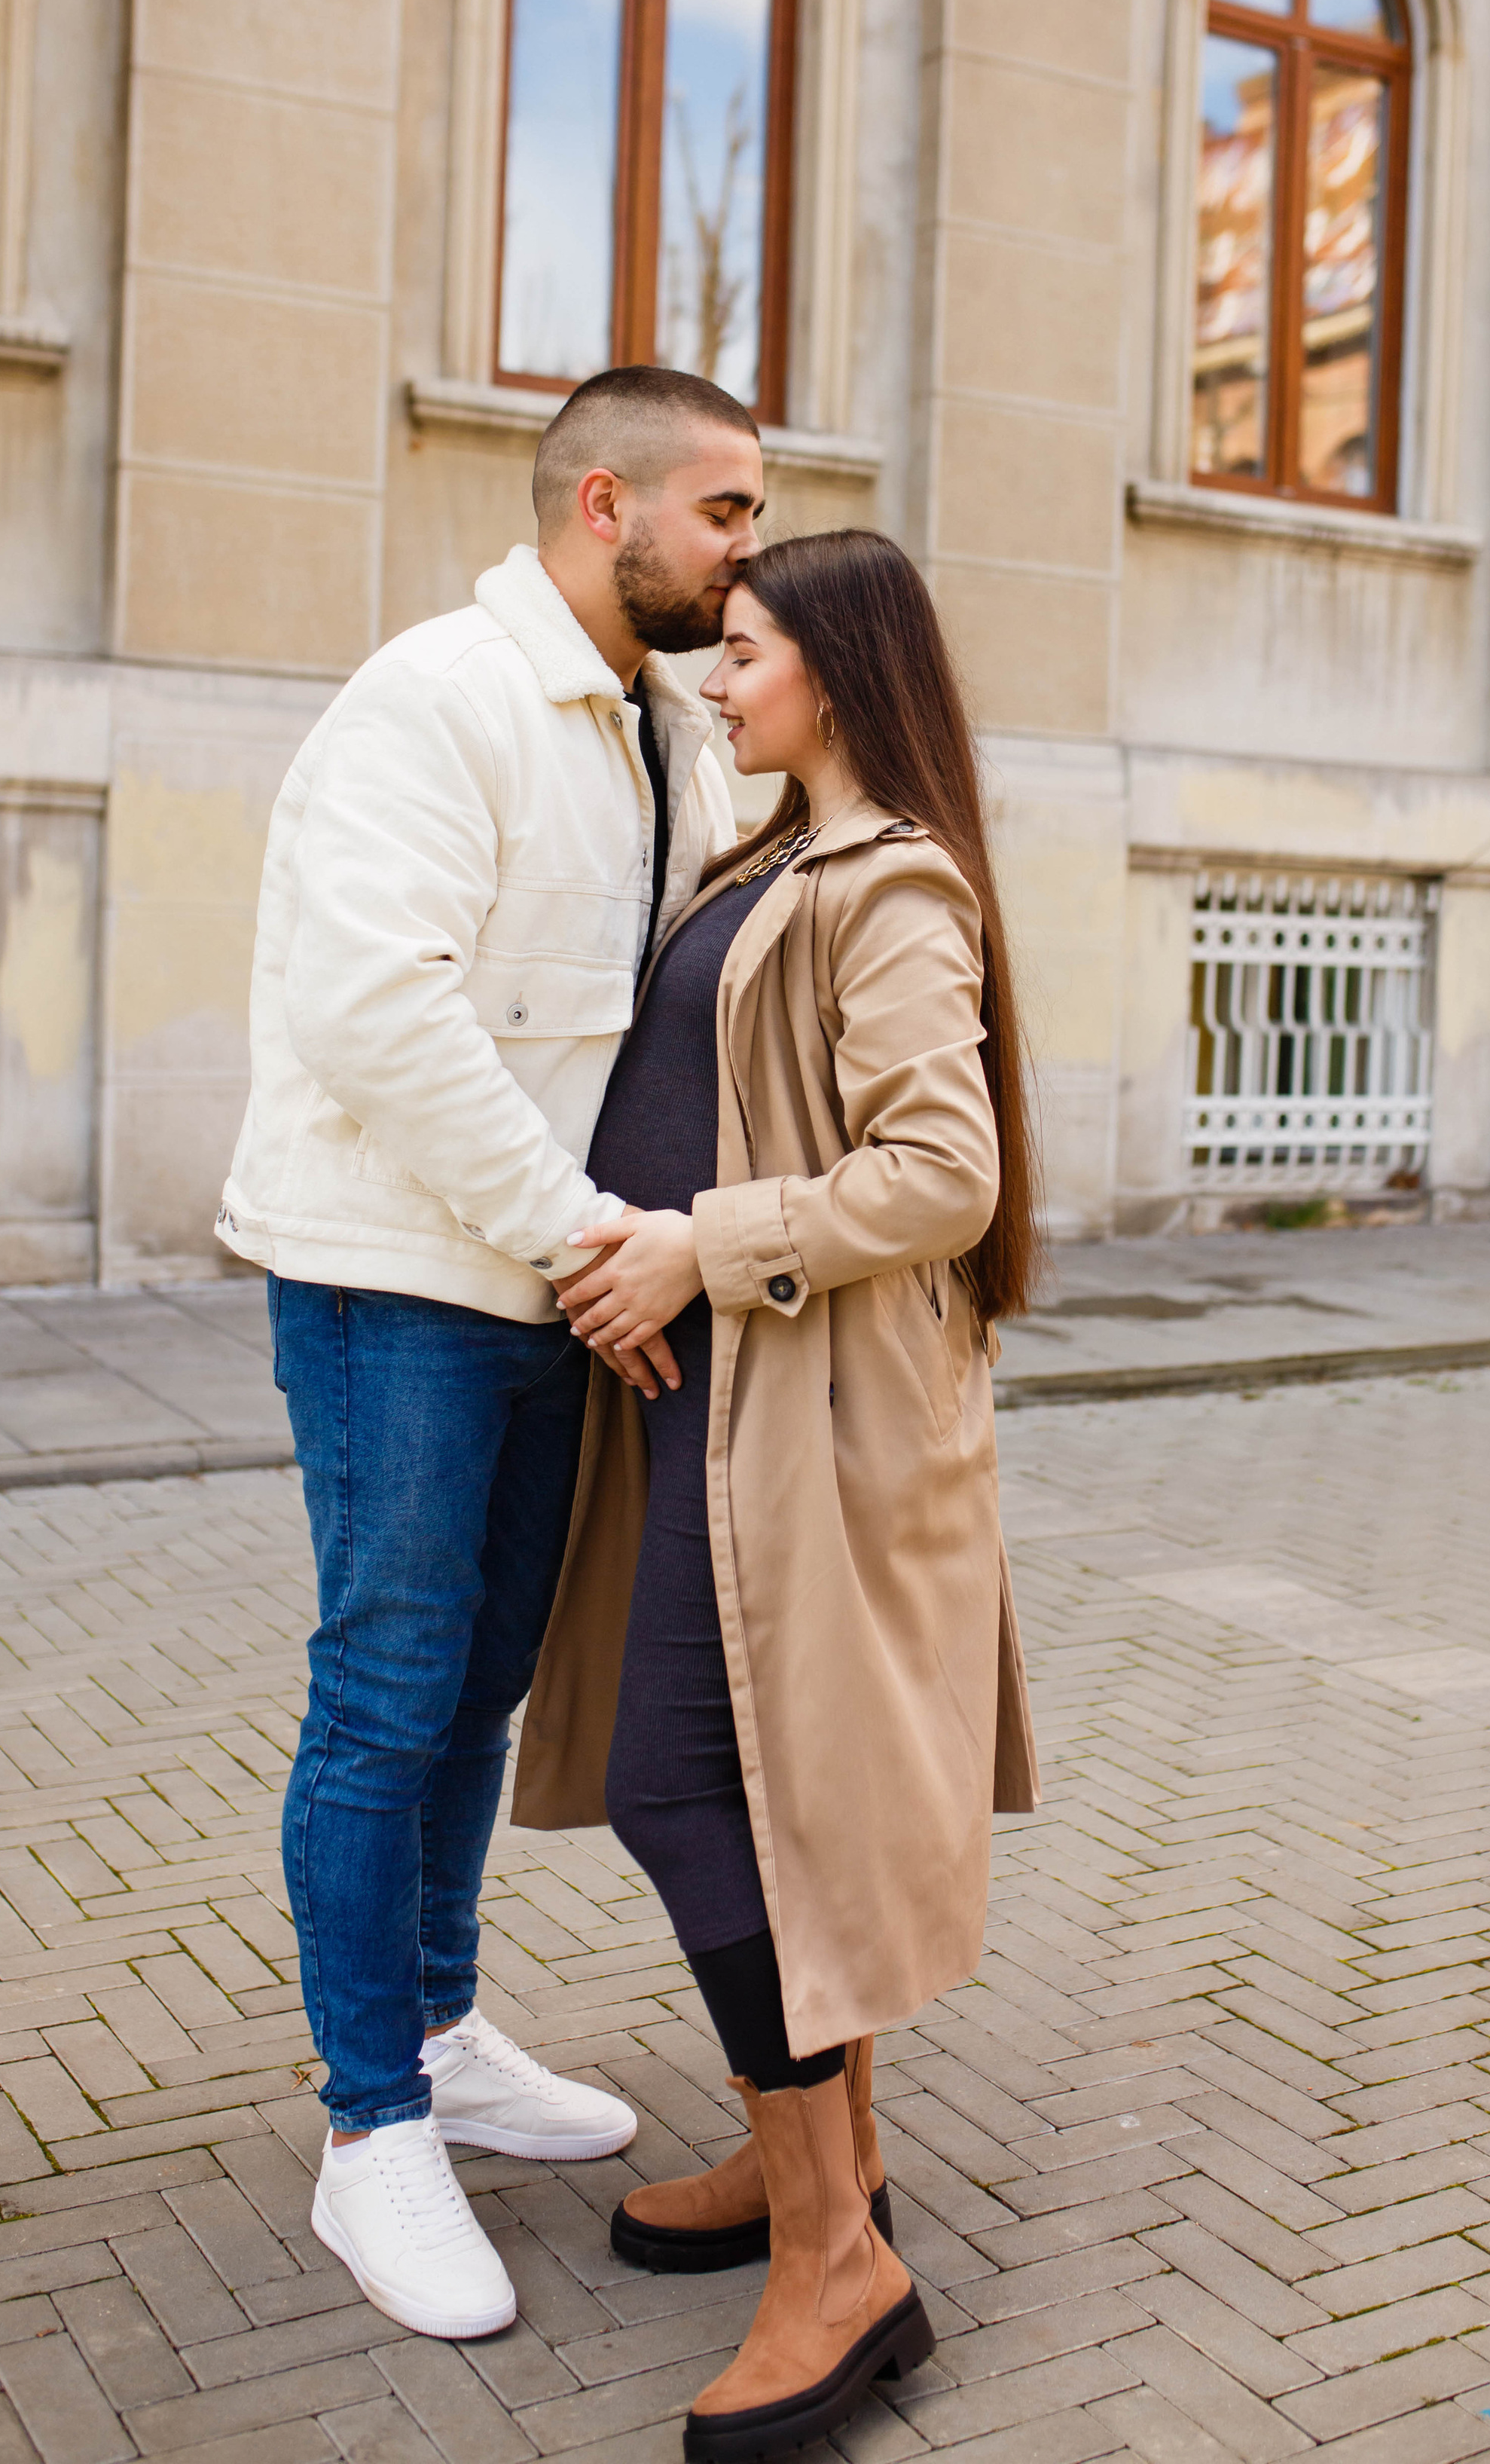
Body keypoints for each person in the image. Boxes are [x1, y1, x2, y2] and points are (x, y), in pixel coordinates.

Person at [216, 365, 761, 2340]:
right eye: (730, 514)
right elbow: (378, 1008)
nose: (749, 551)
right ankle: (371, 2137)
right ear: (604, 505)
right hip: (399, 1284)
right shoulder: (436, 695)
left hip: (549, 1283)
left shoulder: (657, 725)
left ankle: (439, 2030)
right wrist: (583, 1234)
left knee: (481, 1687)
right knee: (386, 1692)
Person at [513, 529, 1043, 2461]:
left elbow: (941, 1173)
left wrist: (696, 1249)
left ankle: (840, 2268)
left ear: (832, 667)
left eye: (741, 654)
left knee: (683, 1786)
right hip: (714, 1411)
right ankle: (820, 2160)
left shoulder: (886, 879)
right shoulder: (764, 861)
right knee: (762, 1789)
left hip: (799, 1415)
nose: (714, 683)